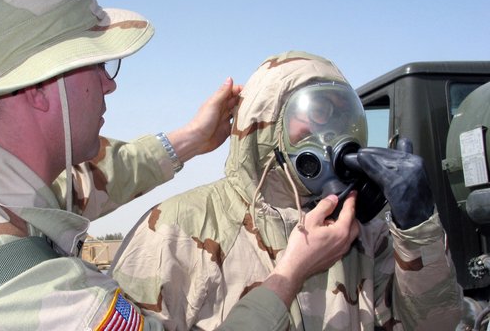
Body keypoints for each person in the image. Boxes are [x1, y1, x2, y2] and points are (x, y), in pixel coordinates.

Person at [0, 0, 360, 330]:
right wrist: (289, 274)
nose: (109, 84)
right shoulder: (57, 305)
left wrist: (191, 139)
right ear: (39, 90)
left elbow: (81, 185)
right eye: (97, 65)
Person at [111, 50, 464, 330]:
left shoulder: (364, 228)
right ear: (267, 128)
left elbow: (438, 324)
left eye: (343, 117)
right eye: (316, 113)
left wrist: (417, 229)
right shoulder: (178, 227)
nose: (332, 132)